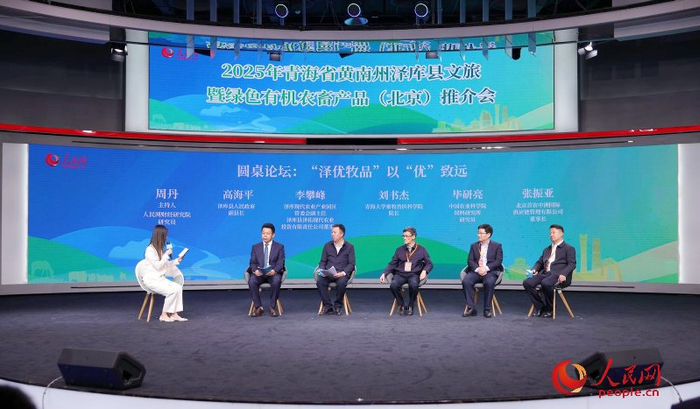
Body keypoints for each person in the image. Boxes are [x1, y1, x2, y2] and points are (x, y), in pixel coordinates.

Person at [523, 224, 576, 318]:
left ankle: (550, 309)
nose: (551, 235)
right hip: (545, 273)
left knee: (546, 283)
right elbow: (539, 262)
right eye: (550, 233)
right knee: (527, 283)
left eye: (553, 232)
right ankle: (540, 307)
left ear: (561, 233)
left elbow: (572, 264)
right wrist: (534, 269)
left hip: (558, 274)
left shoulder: (569, 248)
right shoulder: (547, 249)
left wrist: (564, 274)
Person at [380, 226, 433, 316]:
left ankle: (411, 305)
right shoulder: (399, 249)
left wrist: (424, 271)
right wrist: (384, 273)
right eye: (403, 236)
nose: (404, 238)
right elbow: (392, 263)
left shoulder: (422, 249)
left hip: (414, 274)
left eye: (407, 236)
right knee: (393, 285)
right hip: (400, 274)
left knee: (414, 285)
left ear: (413, 237)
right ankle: (402, 305)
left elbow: (429, 263)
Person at [142, 224, 187, 322]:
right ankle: (164, 314)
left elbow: (165, 265)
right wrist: (166, 254)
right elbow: (158, 266)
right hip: (151, 280)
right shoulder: (150, 250)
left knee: (178, 288)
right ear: (160, 236)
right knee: (171, 291)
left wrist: (177, 260)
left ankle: (174, 314)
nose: (166, 237)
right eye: (165, 235)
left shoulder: (160, 249)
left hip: (160, 279)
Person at [462, 224, 503, 318]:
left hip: (490, 272)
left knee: (489, 282)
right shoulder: (474, 246)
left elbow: (498, 261)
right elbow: (470, 260)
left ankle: (487, 309)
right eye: (478, 233)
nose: (478, 235)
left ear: (488, 234)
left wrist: (486, 268)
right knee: (466, 281)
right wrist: (478, 269)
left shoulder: (497, 246)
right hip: (476, 271)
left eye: (481, 233)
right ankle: (471, 308)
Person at [316, 224, 356, 315]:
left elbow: (351, 264)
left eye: (334, 232)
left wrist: (343, 273)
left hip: (341, 274)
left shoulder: (349, 247)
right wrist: (322, 270)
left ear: (341, 234)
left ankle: (338, 306)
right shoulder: (327, 246)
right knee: (320, 281)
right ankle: (328, 306)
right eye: (332, 232)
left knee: (341, 283)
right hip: (329, 274)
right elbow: (323, 261)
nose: (332, 234)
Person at [248, 222, 285, 317]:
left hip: (272, 273)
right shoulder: (255, 247)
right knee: (252, 281)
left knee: (276, 281)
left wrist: (274, 271)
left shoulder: (279, 247)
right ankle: (258, 307)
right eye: (263, 233)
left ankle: (272, 307)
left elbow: (281, 263)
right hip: (259, 274)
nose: (265, 235)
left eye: (268, 233)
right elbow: (252, 262)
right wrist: (255, 270)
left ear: (273, 235)